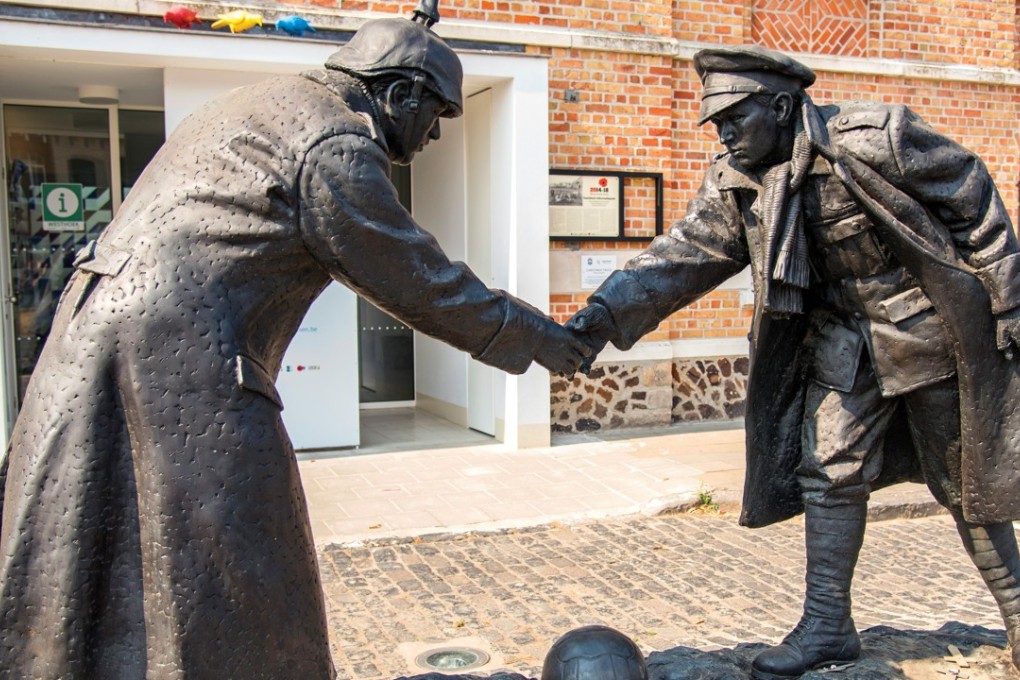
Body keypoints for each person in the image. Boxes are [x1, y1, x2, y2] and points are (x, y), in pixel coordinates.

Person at [0, 3, 589, 678]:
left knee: (101, 554)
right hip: (183, 362)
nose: (431, 139)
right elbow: (415, 277)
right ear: (398, 93)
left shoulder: (253, 105)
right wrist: (540, 338)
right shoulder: (333, 141)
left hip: (92, 344)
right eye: (434, 117)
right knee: (240, 566)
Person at [568, 45, 1020, 679]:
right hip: (841, 341)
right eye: (716, 122)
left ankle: (1019, 613)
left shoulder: (872, 138)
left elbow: (971, 192)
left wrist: (1008, 299)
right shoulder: (737, 179)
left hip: (924, 330)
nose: (723, 133)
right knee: (829, 470)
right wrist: (599, 318)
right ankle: (828, 624)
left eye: (734, 117)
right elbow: (681, 257)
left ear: (781, 107)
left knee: (963, 481)